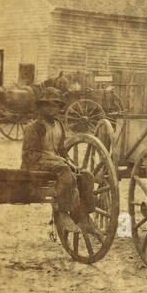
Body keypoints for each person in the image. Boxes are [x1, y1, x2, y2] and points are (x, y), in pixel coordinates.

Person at [21, 88, 98, 238]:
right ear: (41, 107)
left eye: (54, 105)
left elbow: (62, 150)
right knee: (64, 170)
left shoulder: (59, 126)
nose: (51, 109)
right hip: (36, 164)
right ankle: (63, 212)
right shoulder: (34, 127)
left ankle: (84, 217)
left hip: (54, 162)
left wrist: (69, 161)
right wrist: (61, 161)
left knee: (86, 175)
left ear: (58, 108)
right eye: (47, 105)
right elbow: (30, 154)